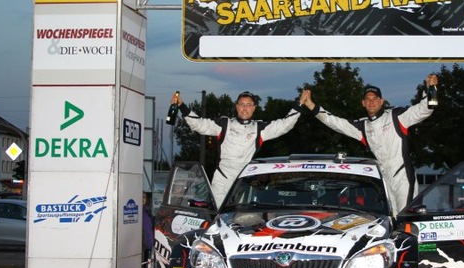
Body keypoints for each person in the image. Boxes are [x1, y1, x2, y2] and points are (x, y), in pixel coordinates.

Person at [300, 75, 437, 212]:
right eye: (368, 99)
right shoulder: (363, 126)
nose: (371, 102)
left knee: (405, 216)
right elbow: (335, 123)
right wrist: (310, 105)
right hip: (383, 177)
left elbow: (426, 109)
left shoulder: (396, 116)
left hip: (402, 176)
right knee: (390, 220)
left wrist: (431, 88)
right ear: (363, 103)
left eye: (375, 99)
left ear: (381, 101)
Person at [174, 90, 303, 204]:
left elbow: (285, 125)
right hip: (222, 179)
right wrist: (181, 105)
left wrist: (300, 104)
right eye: (241, 104)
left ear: (254, 108)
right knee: (217, 217)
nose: (245, 108)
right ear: (236, 107)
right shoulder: (224, 124)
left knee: (241, 220)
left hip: (245, 180)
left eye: (248, 105)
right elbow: (199, 124)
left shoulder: (260, 128)